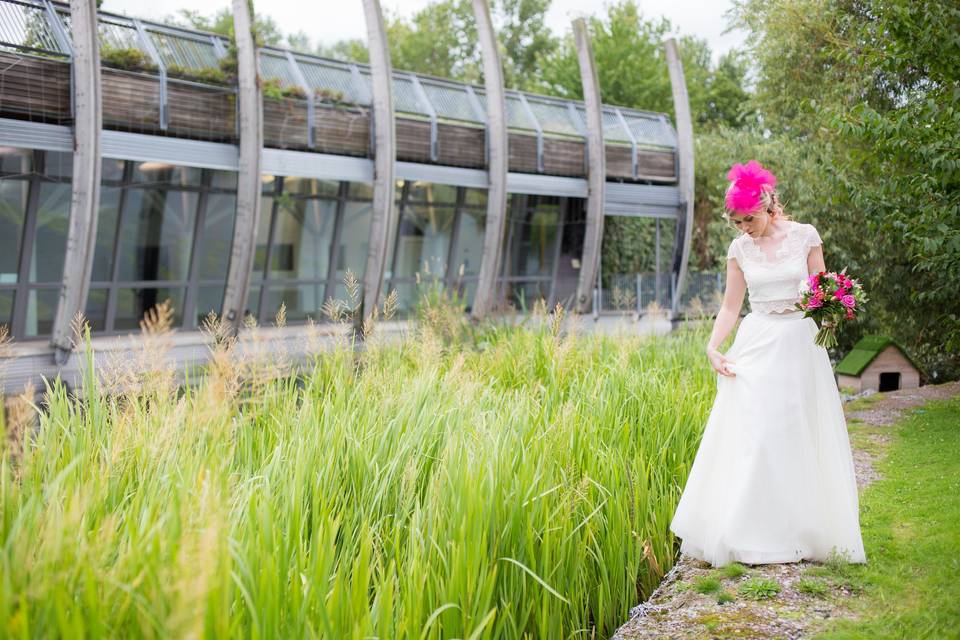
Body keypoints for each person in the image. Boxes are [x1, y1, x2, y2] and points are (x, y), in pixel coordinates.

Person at [668, 160, 867, 567]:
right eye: (738, 223)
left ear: (769, 207)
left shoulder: (805, 237)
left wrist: (831, 314)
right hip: (756, 343)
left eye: (750, 219)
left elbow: (822, 289)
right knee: (756, 434)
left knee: (795, 432)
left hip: (799, 343)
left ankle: (800, 532)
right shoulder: (739, 250)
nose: (745, 228)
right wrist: (712, 346)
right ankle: (748, 533)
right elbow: (730, 306)